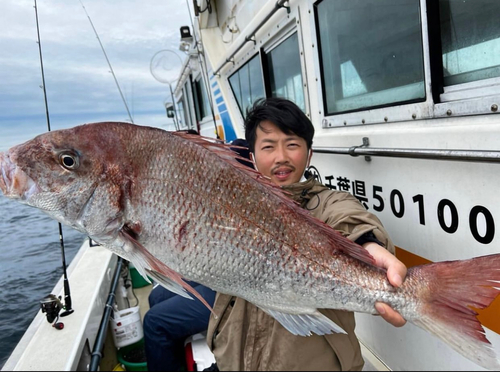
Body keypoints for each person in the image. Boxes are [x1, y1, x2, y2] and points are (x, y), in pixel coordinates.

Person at [206, 97, 407, 371]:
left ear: (309, 153)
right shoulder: (228, 207)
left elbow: (350, 220)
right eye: (268, 147)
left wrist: (367, 245)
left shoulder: (327, 203)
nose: (281, 157)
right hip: (230, 360)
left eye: (292, 145)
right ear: (252, 156)